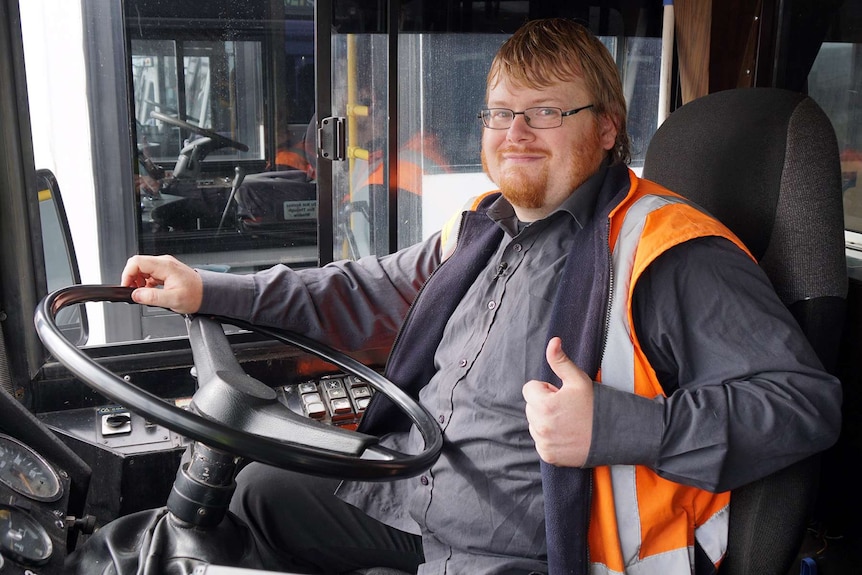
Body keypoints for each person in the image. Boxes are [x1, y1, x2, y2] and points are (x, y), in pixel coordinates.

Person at [120, 18, 842, 575]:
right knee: (250, 498)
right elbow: (364, 288)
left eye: (545, 112)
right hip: (411, 492)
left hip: (532, 547)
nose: (514, 132)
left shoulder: (669, 254)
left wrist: (625, 425)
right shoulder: (485, 226)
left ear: (606, 129)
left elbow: (806, 404)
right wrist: (208, 287)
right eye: (500, 113)